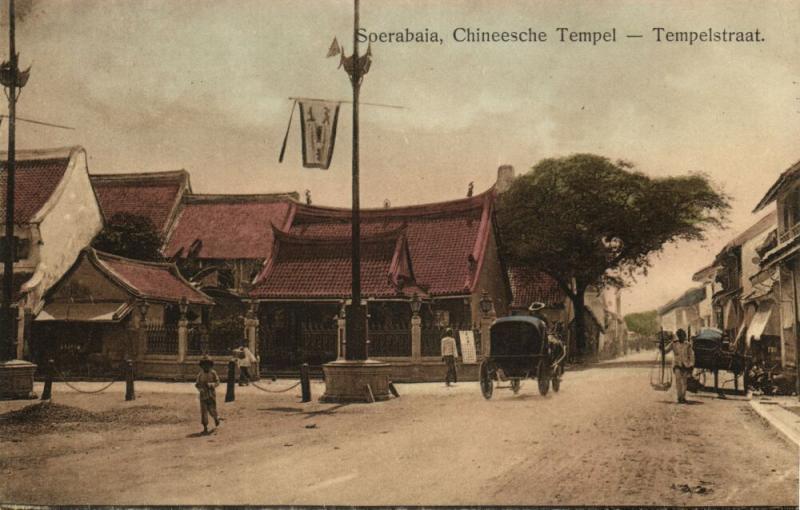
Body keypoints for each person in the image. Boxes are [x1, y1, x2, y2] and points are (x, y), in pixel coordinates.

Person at [666, 328, 695, 404]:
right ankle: (679, 397)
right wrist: (661, 347)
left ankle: (683, 397)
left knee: (684, 382)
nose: (682, 337)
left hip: (685, 365)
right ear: (678, 336)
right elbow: (666, 350)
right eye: (680, 335)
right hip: (677, 364)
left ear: (684, 336)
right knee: (678, 381)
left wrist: (691, 364)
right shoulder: (674, 344)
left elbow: (691, 355)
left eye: (683, 335)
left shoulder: (688, 344)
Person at [195, 355, 221, 434]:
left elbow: (217, 382)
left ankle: (216, 418)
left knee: (212, 409)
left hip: (211, 394)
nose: (206, 367)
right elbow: (197, 384)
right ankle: (205, 427)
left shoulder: (213, 373)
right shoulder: (200, 374)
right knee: (204, 411)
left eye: (207, 365)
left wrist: (211, 385)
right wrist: (200, 389)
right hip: (203, 395)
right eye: (204, 365)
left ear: (210, 365)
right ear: (201, 366)